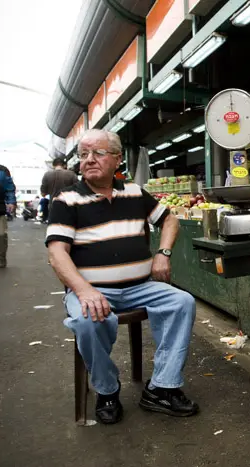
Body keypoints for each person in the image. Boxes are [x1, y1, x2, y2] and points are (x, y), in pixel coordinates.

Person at [46, 129, 199, 425]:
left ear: (117, 159)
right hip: (91, 288)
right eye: (84, 154)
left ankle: (162, 387)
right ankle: (107, 390)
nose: (89, 160)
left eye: (98, 153)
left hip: (141, 286)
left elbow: (169, 220)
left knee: (182, 302)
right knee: (86, 321)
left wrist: (163, 253)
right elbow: (57, 253)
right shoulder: (66, 200)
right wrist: (84, 290)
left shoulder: (134, 192)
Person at [41, 157, 78, 223]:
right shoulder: (71, 174)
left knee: (54, 228)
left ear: (53, 165)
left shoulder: (47, 175)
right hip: (69, 205)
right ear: (64, 165)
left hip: (53, 206)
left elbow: (43, 194)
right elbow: (78, 189)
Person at [0, 164, 16, 268]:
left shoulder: (2, 170)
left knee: (0, 236)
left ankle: (1, 257)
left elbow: (9, 188)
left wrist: (11, 202)